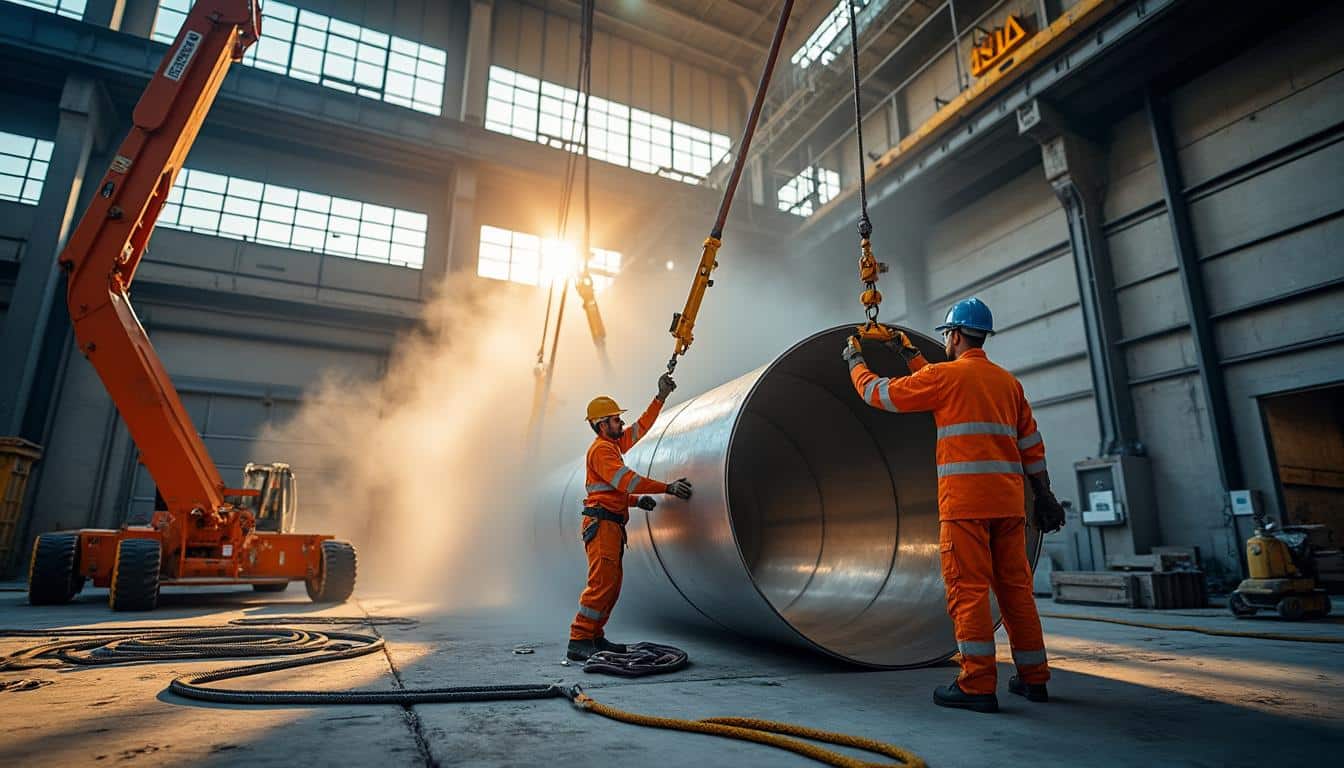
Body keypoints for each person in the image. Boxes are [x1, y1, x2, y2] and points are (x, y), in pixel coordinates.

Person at [842, 297, 1067, 713]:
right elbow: (1032, 447)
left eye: (947, 334)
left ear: (956, 335)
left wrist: (856, 359)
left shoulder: (946, 379)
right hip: (1009, 505)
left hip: (965, 507)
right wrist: (1045, 495)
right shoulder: (1007, 384)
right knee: (1016, 592)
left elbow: (880, 394)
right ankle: (1034, 678)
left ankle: (978, 683)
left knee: (969, 592)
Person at [568, 373, 693, 662]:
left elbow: (641, 429)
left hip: (610, 523)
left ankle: (595, 636)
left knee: (611, 584)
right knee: (601, 583)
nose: (621, 423)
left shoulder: (611, 446)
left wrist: (660, 397)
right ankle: (579, 638)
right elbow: (627, 482)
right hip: (602, 525)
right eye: (615, 419)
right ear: (602, 425)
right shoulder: (602, 451)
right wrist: (667, 488)